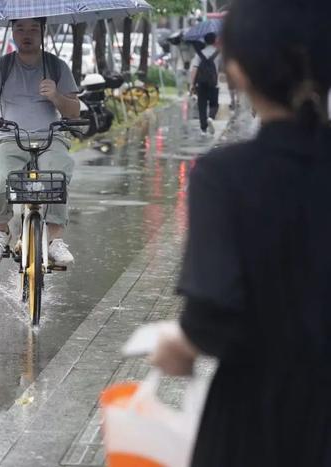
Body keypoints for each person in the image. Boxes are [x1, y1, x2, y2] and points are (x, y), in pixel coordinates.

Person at [152, 0, 331, 465]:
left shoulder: (224, 178)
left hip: (255, 423)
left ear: (239, 70)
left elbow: (212, 313)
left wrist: (179, 345)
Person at [0, 17, 80, 267]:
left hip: (50, 137)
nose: (27, 34)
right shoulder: (2, 65)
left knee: (56, 178)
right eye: (20, 28)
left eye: (34, 28)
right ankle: (1, 231)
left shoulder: (56, 66)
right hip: (10, 138)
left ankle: (55, 239)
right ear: (12, 31)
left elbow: (74, 111)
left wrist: (56, 95)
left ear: (43, 31)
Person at [190, 32, 221, 135]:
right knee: (214, 104)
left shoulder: (199, 53)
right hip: (214, 83)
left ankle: (203, 128)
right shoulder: (218, 53)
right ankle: (211, 117)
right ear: (215, 40)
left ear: (205, 41)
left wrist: (192, 84)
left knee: (202, 105)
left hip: (201, 83)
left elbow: (194, 69)